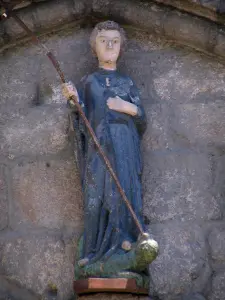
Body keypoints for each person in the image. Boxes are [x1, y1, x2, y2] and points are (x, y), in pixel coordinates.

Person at [62, 21, 147, 268]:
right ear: (94, 48)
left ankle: (124, 244)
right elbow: (82, 118)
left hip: (125, 149)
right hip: (99, 148)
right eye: (103, 41)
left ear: (121, 47)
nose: (110, 45)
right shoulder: (90, 82)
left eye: (115, 41)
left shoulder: (127, 82)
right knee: (95, 198)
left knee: (124, 195)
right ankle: (94, 249)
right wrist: (74, 100)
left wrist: (126, 107)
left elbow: (142, 119)